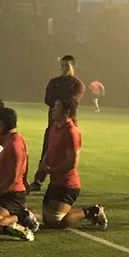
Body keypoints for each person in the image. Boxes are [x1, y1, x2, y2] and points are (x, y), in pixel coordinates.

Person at [39, 98, 107, 229]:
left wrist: (49, 170)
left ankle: (93, 211)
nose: (53, 109)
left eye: (57, 107)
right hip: (55, 182)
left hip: (67, 184)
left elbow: (71, 163)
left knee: (57, 222)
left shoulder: (71, 132)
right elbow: (50, 149)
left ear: (66, 111)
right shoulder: (54, 127)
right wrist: (42, 167)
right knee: (48, 221)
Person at [0, 107, 36, 240]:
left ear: (2, 123)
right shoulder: (10, 139)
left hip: (12, 195)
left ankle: (18, 220)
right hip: (5, 192)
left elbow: (12, 178)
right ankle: (18, 218)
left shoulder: (14, 144)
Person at [30, 55, 84, 192]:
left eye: (67, 65)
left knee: (69, 153)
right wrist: (60, 103)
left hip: (69, 122)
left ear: (72, 66)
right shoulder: (54, 82)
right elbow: (48, 99)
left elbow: (73, 101)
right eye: (62, 65)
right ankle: (38, 180)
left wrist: (60, 102)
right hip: (53, 122)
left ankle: (67, 182)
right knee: (47, 150)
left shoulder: (77, 84)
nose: (64, 68)